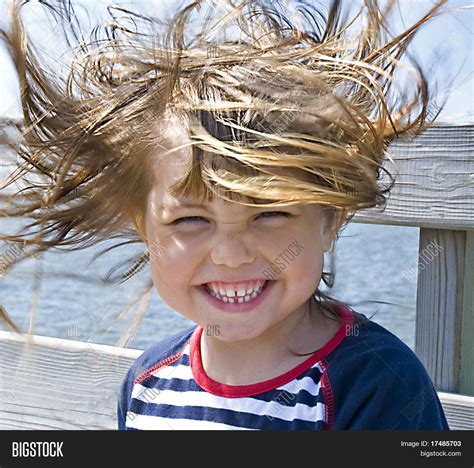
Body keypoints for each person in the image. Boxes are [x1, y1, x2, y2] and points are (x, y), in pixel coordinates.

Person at [0, 0, 451, 430]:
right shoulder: (147, 384)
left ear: (329, 218)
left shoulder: (377, 382)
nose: (231, 255)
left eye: (269, 212)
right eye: (190, 220)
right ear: (145, 228)